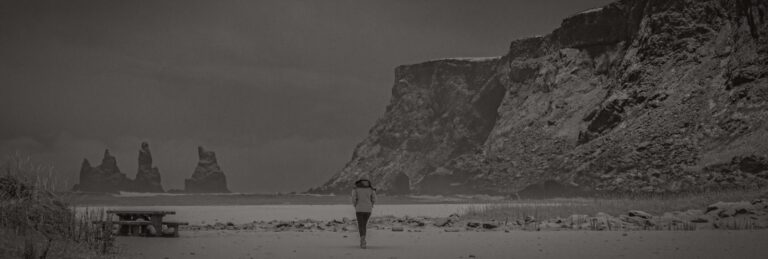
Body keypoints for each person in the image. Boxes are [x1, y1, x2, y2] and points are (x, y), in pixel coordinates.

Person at [352, 178, 376, 249]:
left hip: (359, 209)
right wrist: (371, 204)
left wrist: (355, 205)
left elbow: (353, 198)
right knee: (364, 225)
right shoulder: (371, 189)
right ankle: (363, 240)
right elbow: (374, 199)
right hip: (368, 209)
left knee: (360, 225)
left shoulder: (356, 189)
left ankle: (363, 241)